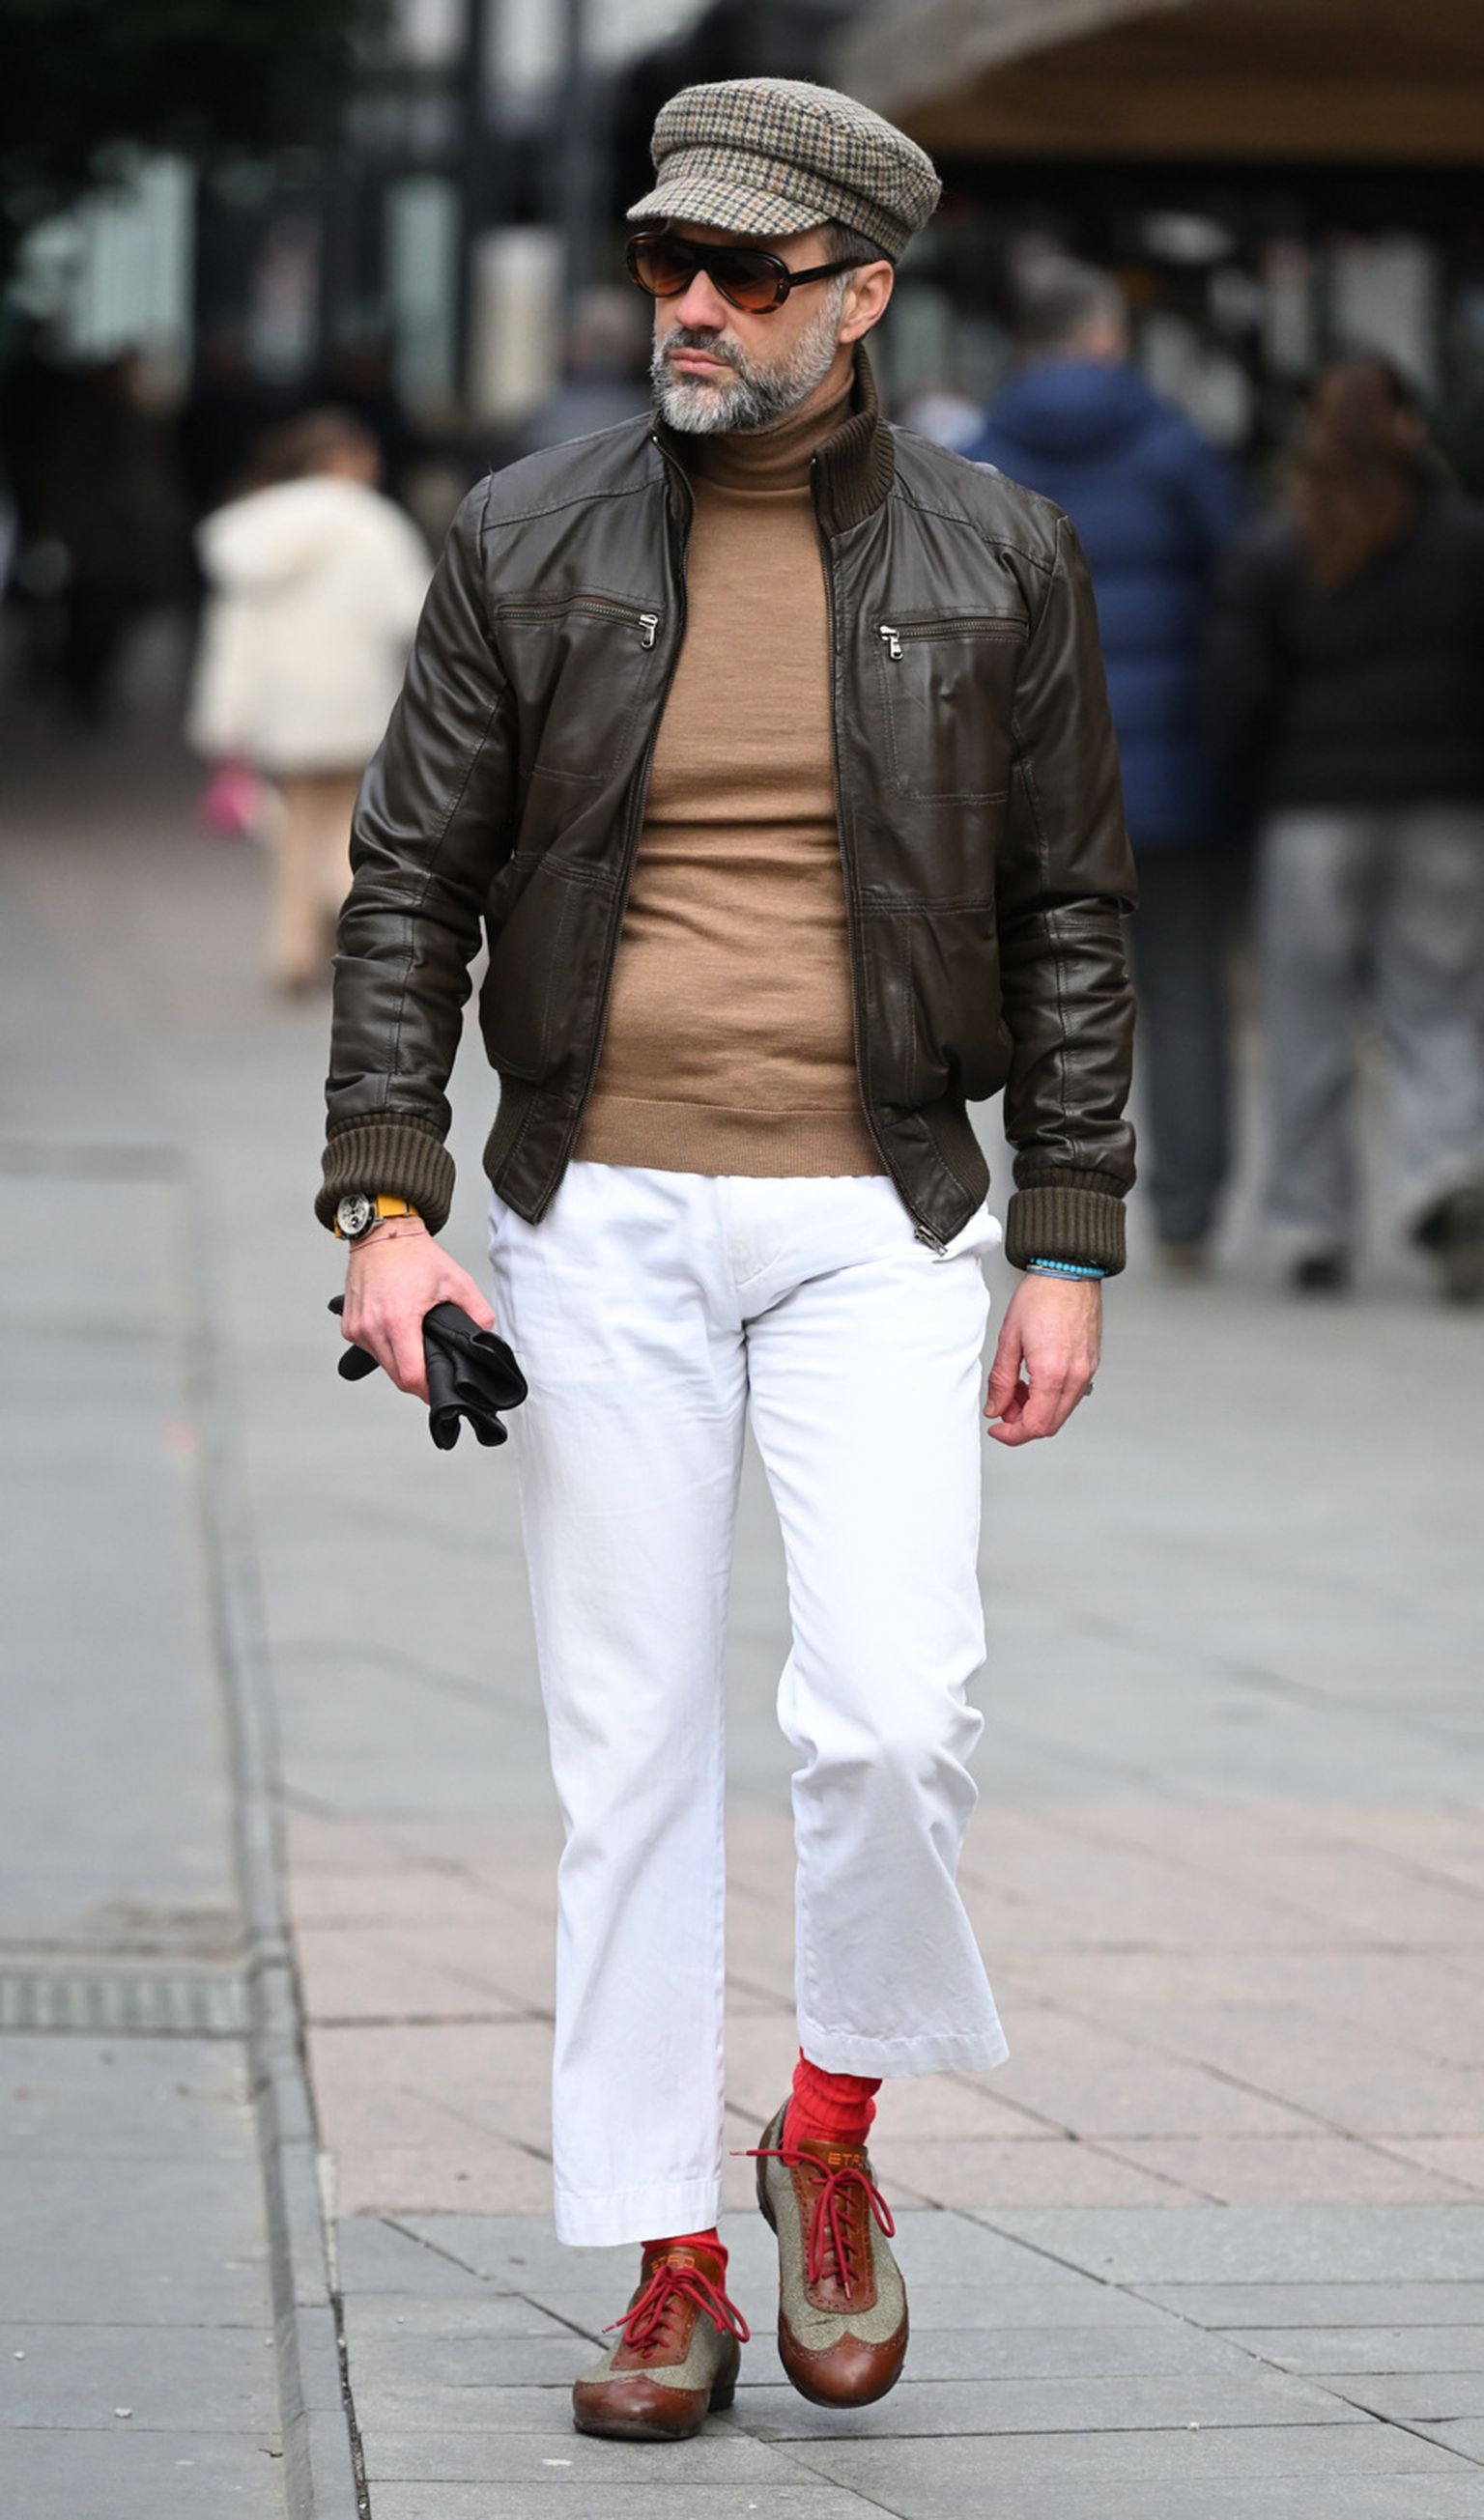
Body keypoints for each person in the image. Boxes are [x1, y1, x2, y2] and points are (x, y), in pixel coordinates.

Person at [317, 77, 1136, 2440]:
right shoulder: (527, 531)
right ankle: (666, 2248)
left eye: (745, 273)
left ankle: (828, 2130)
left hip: (887, 1210)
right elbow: (408, 878)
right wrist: (390, 1203)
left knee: (893, 1711)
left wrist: (1068, 1233)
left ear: (859, 295)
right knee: (629, 1750)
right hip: (594, 1208)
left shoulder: (1001, 550)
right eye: (665, 258)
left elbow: (1073, 910)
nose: (689, 302)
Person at [971, 259, 1246, 1272]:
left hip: (1034, 783)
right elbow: (1243, 591)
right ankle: (1186, 1217)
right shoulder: (1178, 450)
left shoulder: (979, 460)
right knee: (1183, 988)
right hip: (1170, 774)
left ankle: (1048, 1197)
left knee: (1043, 990)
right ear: (1107, 338)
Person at [1208, 357, 1484, 1302]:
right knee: (1439, 1008)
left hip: (1311, 811)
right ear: (1411, 427)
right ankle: (1448, 1174)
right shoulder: (1464, 543)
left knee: (1307, 1021)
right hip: (1447, 808)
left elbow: (1236, 690)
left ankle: (1312, 1224)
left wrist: (1244, 791)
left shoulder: (1279, 546)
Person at [187, 409, 430, 993]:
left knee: (297, 827)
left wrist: (226, 716)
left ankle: (292, 952)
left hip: (281, 708)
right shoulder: (373, 523)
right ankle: (356, 933)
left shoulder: (252, 527)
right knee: (351, 827)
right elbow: (410, 612)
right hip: (355, 700)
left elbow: (234, 634)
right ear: (338, 459)